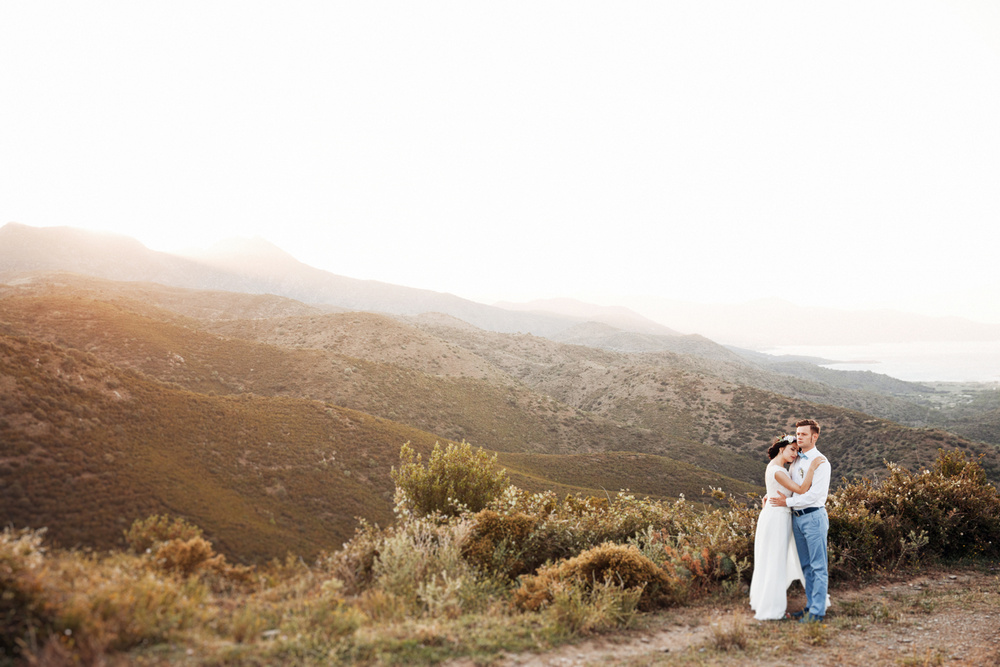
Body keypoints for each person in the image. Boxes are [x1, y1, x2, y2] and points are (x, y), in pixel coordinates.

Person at [749, 433, 826, 621]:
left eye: (797, 451)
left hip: (776, 515)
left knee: (772, 560)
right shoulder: (779, 471)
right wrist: (813, 468)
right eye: (792, 449)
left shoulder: (776, 468)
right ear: (781, 448)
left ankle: (768, 603)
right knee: (776, 561)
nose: (795, 454)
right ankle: (773, 609)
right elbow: (801, 490)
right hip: (777, 518)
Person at [769, 418, 831, 623]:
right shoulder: (795, 458)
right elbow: (790, 484)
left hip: (813, 517)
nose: (799, 437)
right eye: (798, 434)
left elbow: (814, 495)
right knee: (806, 566)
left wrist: (787, 501)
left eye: (804, 434)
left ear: (815, 436)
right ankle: (810, 607)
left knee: (818, 566)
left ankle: (818, 613)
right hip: (796, 518)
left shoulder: (821, 462)